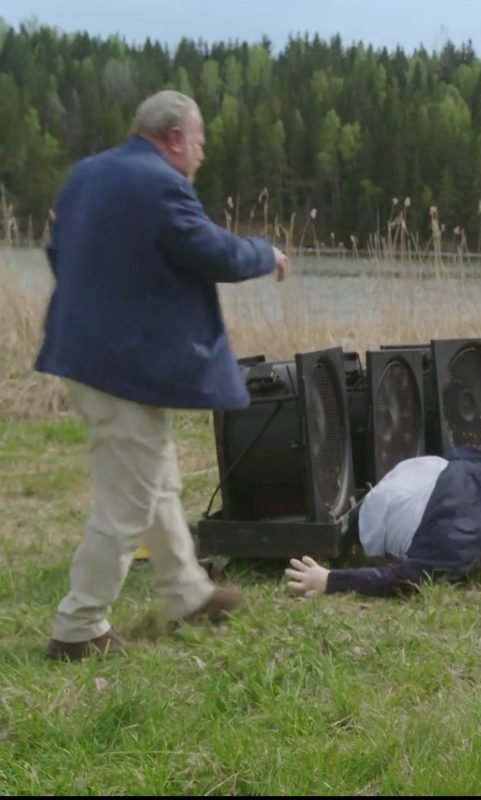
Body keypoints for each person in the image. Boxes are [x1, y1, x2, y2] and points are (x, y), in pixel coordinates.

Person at [35, 90, 290, 661]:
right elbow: (212, 253)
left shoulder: (86, 174)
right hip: (123, 367)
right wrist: (264, 252)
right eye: (199, 145)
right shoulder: (161, 184)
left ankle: (186, 593)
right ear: (175, 137)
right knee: (126, 502)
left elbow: (57, 251)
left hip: (82, 355)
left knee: (157, 479)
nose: (200, 157)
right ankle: (78, 628)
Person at [283, 448, 481, 598]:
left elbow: (460, 454)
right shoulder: (446, 550)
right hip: (390, 506)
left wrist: (329, 578)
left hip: (418, 472)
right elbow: (390, 578)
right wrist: (329, 579)